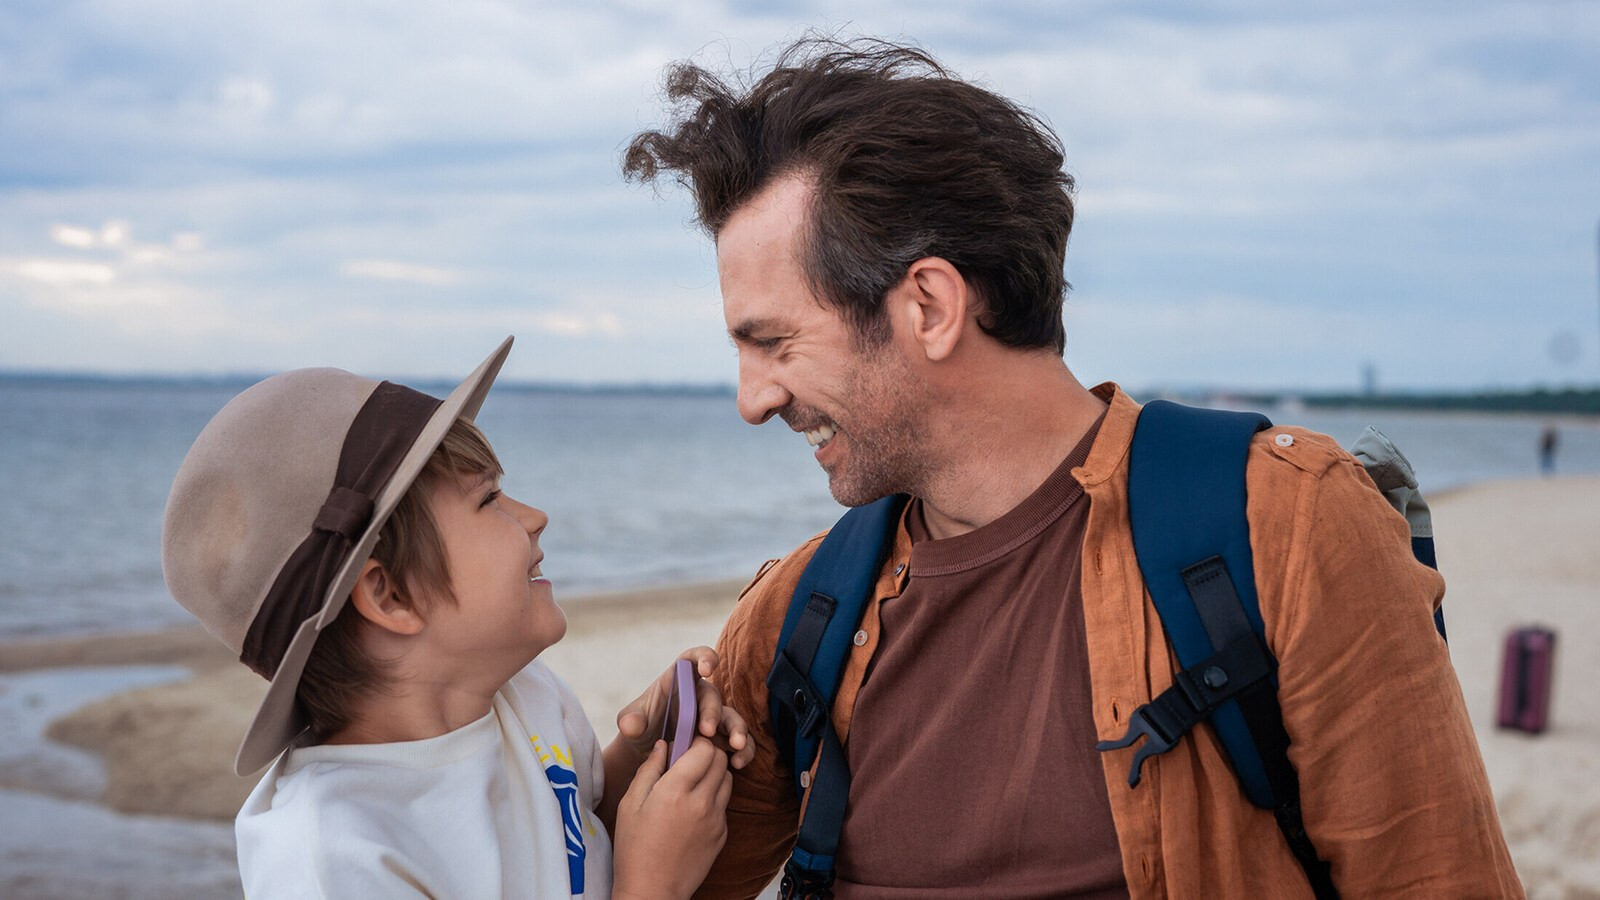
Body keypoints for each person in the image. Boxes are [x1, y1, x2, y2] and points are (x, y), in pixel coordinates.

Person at [624, 39, 1522, 898]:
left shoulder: (1283, 528)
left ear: (930, 306)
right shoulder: (803, 614)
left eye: (774, 342)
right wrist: (615, 777)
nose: (752, 400)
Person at [161, 336, 752, 899]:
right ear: (390, 596)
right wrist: (652, 888)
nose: (536, 515)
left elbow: (579, 839)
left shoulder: (527, 697)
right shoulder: (335, 855)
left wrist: (650, 748)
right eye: (488, 498)